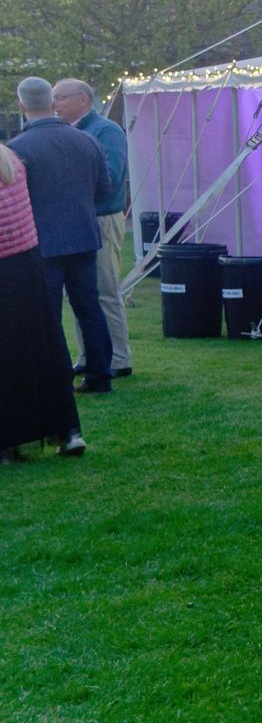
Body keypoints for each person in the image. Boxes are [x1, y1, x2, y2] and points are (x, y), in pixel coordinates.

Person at [10, 78, 114, 394]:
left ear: (21, 106)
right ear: (53, 104)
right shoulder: (87, 141)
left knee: (48, 314)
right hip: (83, 237)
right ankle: (99, 376)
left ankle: (54, 380)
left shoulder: (16, 150)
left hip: (41, 243)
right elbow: (104, 191)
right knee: (89, 309)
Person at [0, 142, 85, 459]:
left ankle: (9, 438)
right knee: (43, 346)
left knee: (7, 356)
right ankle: (68, 430)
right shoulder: (10, 159)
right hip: (27, 261)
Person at [52, 78, 132, 379]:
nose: (55, 104)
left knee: (104, 290)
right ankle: (90, 355)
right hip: (79, 219)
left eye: (61, 97)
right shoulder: (72, 132)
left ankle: (120, 358)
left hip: (101, 218)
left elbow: (109, 179)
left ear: (83, 99)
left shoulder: (106, 131)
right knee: (80, 293)